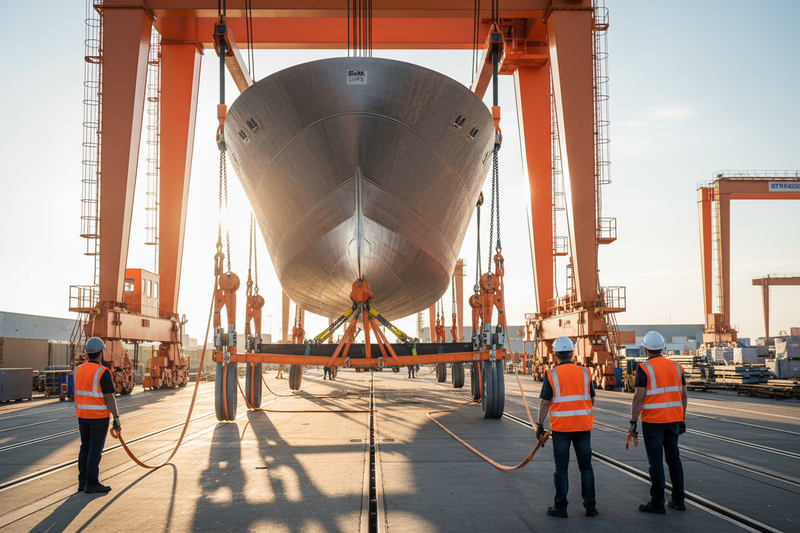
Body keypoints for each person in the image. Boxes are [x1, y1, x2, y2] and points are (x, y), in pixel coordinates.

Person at [536, 336, 597, 518]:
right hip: (583, 427)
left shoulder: (551, 374)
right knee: (586, 468)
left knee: (561, 469)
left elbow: (545, 403)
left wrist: (540, 425)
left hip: (561, 428)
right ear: (572, 353)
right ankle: (590, 507)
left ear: (555, 354)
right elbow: (591, 399)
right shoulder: (585, 372)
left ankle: (561, 507)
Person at [628, 330, 687, 514]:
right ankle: (678, 499)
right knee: (674, 459)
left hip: (653, 422)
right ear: (663, 348)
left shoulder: (644, 368)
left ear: (645, 349)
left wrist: (632, 422)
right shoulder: (677, 367)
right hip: (673, 420)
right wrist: (681, 418)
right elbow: (684, 395)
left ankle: (657, 502)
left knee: (656, 461)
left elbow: (638, 397)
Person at [73, 337, 120, 494]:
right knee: (95, 449)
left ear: (87, 353)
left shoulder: (77, 370)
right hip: (98, 417)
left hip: (82, 415)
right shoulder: (102, 372)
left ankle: (83, 482)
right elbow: (109, 397)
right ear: (101, 353)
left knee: (85, 447)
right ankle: (92, 483)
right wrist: (116, 417)